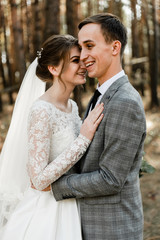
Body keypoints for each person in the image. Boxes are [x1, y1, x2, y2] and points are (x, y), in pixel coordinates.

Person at [52, 13, 146, 240]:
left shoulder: (125, 102)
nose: (83, 56)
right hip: (88, 223)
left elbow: (111, 179)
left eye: (89, 46)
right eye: (80, 47)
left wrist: (57, 186)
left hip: (112, 229)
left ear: (115, 47)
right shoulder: (103, 95)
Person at [0, 34, 104, 239]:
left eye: (82, 59)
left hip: (71, 202)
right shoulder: (41, 110)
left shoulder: (72, 106)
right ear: (54, 69)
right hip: (47, 212)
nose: (83, 65)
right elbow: (38, 180)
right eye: (75, 60)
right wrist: (83, 140)